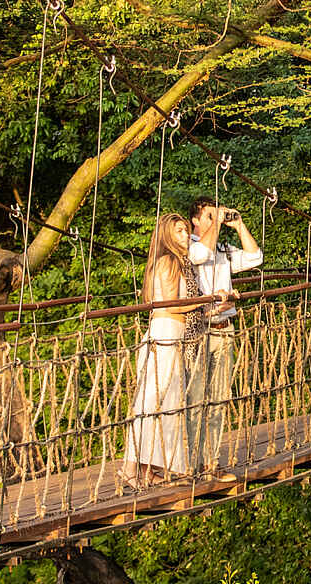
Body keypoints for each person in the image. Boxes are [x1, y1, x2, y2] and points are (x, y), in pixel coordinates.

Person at [120, 213, 221, 488]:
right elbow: (168, 306)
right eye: (179, 231)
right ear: (166, 235)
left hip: (173, 335)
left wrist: (209, 306)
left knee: (167, 404)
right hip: (164, 333)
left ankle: (147, 469)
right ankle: (130, 469)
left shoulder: (179, 262)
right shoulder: (167, 262)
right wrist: (204, 300)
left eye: (186, 230)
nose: (185, 235)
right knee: (151, 404)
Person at [185, 197, 263, 480]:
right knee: (195, 401)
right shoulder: (188, 246)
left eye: (214, 217)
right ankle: (191, 467)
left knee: (218, 401)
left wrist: (239, 225)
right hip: (198, 332)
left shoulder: (223, 250)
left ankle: (212, 464)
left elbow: (255, 258)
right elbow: (199, 257)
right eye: (208, 216)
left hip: (224, 329)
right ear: (195, 220)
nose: (214, 220)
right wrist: (217, 222)